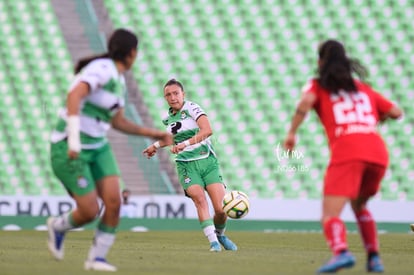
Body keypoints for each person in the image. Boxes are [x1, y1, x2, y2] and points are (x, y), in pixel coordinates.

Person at [47, 28, 172, 271]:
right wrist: (73, 139)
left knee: (113, 202)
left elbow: (118, 122)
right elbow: (74, 95)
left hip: (98, 146)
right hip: (69, 146)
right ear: (132, 53)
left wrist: (154, 133)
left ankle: (96, 259)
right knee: (90, 210)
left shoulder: (119, 79)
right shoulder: (102, 69)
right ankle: (58, 226)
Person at [283, 40, 402, 273]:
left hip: (349, 151)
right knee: (360, 206)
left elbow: (306, 102)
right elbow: (396, 112)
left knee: (329, 215)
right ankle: (374, 258)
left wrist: (291, 133)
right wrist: (372, 122)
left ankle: (341, 252)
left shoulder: (318, 85)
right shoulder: (362, 88)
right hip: (377, 152)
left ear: (320, 62)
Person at [143, 78, 237, 252]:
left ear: (183, 94)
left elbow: (207, 130)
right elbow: (171, 138)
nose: (172, 97)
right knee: (200, 200)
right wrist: (154, 146)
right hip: (186, 165)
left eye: (175, 93)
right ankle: (213, 243)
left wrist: (184, 144)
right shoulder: (167, 119)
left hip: (207, 161)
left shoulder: (192, 108)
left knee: (221, 210)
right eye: (168, 95)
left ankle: (220, 235)